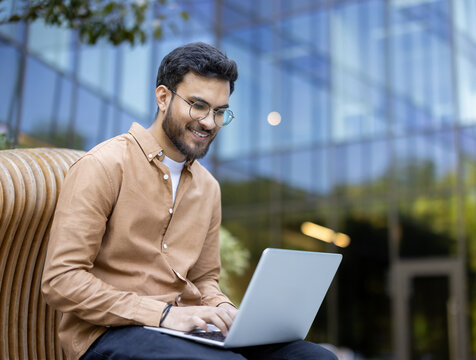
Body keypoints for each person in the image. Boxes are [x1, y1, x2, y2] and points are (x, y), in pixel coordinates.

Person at [42, 42, 337, 360]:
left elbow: (204, 279)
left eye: (220, 111)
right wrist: (164, 314)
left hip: (186, 330)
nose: (210, 122)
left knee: (315, 358)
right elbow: (61, 280)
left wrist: (224, 308)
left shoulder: (208, 188)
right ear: (163, 97)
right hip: (109, 334)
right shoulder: (104, 165)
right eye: (198, 106)